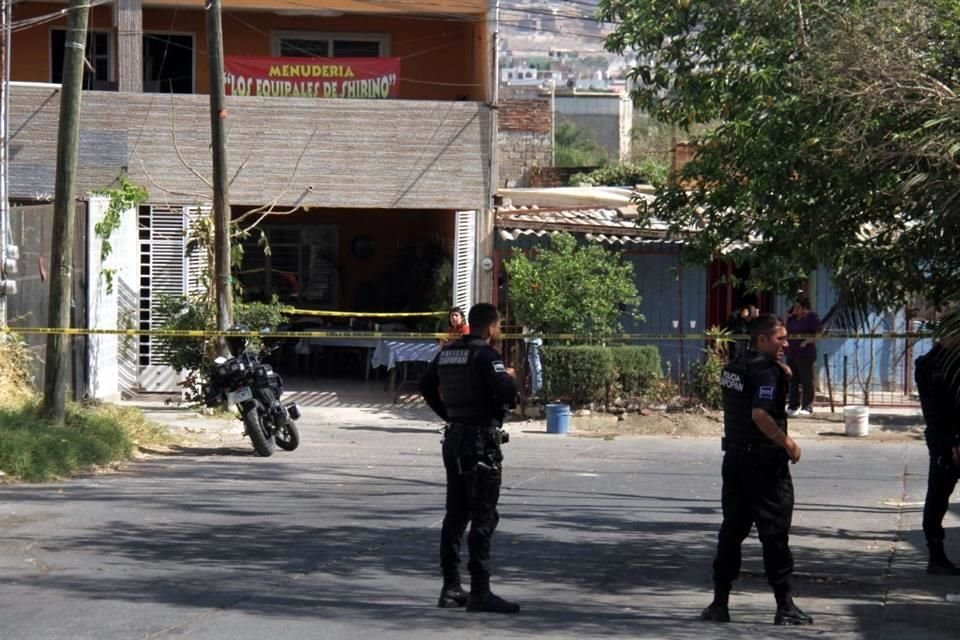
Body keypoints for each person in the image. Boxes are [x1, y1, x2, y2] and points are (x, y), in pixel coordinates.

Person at [701, 313, 814, 626]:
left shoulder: (735, 367)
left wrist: (780, 371)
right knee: (774, 535)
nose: (785, 344)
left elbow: (745, 397)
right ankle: (785, 606)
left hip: (735, 459)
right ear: (762, 339)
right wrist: (788, 443)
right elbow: (760, 414)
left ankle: (719, 604)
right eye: (780, 339)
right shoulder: (766, 371)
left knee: (732, 532)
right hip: (764, 464)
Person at [419, 303, 521, 614]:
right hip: (479, 442)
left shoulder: (448, 352)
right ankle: (480, 591)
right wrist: (511, 380)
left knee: (455, 515)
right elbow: (507, 394)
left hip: (454, 439)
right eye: (498, 326)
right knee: (483, 516)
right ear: (491, 327)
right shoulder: (487, 356)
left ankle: (450, 587)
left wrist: (449, 415)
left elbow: (425, 385)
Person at [914, 337, 960, 575]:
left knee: (938, 495)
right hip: (945, 439)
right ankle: (936, 555)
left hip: (948, 437)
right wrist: (954, 441)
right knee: (938, 495)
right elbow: (937, 410)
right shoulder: (930, 365)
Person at [785, 295, 822, 416]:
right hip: (792, 352)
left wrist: (806, 341)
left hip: (805, 353)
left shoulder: (812, 317)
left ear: (804, 307)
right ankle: (793, 405)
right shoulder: (792, 318)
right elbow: (785, 330)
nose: (795, 309)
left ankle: (807, 406)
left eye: (798, 307)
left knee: (807, 380)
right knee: (793, 380)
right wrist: (787, 316)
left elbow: (819, 333)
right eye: (794, 307)